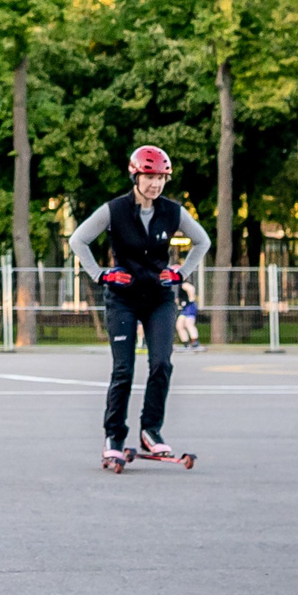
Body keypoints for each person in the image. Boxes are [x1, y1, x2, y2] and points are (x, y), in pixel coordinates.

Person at [68, 145, 210, 469]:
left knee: (161, 364)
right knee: (124, 370)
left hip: (159, 298)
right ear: (135, 176)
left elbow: (203, 241)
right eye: (150, 177)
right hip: (123, 299)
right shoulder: (114, 210)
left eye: (161, 178)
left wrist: (181, 272)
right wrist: (100, 274)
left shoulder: (172, 212)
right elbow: (78, 240)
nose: (155, 184)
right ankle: (114, 437)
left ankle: (150, 431)